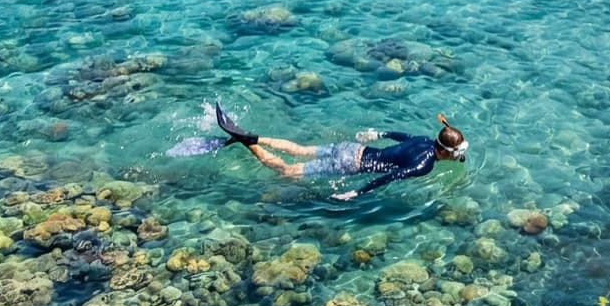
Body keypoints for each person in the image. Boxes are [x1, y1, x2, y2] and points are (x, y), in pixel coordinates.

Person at [186, 102, 468, 200]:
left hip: (354, 148)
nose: (458, 157)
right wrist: (356, 192)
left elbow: (399, 135)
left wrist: (377, 133)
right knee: (287, 171)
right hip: (349, 165)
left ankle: (252, 136)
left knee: (298, 149)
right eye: (457, 153)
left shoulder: (421, 139)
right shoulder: (425, 165)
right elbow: (390, 177)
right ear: (447, 152)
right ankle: (245, 142)